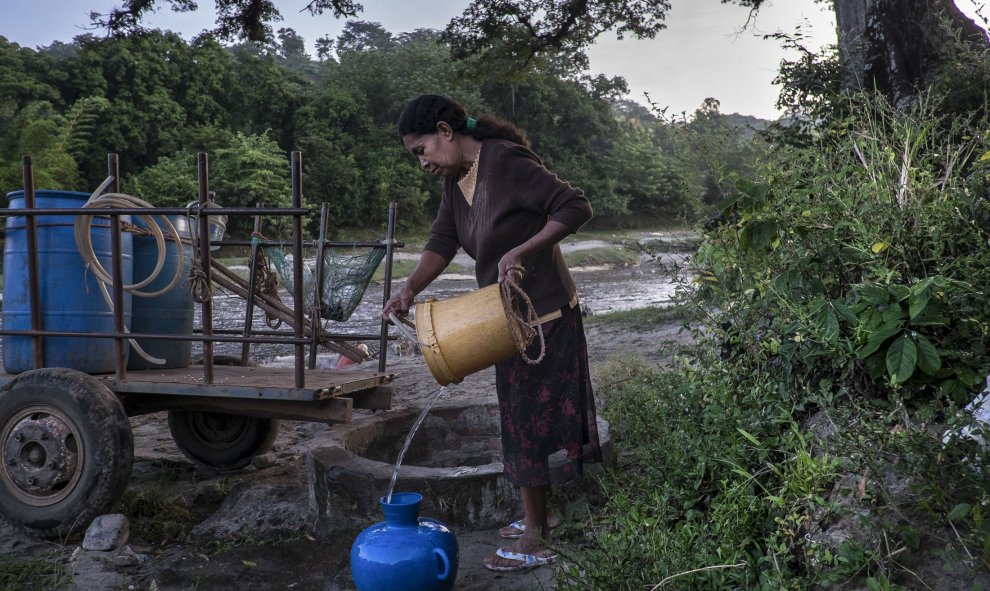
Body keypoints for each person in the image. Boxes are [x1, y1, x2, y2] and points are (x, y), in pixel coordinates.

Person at [382, 94, 602, 572]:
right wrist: (409, 289)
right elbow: (443, 241)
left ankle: (537, 536)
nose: (422, 162)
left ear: (445, 131)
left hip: (545, 315)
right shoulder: (457, 180)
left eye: (421, 150)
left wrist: (523, 250)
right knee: (522, 419)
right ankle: (541, 516)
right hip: (505, 319)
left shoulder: (504, 161)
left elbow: (575, 205)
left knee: (529, 424)